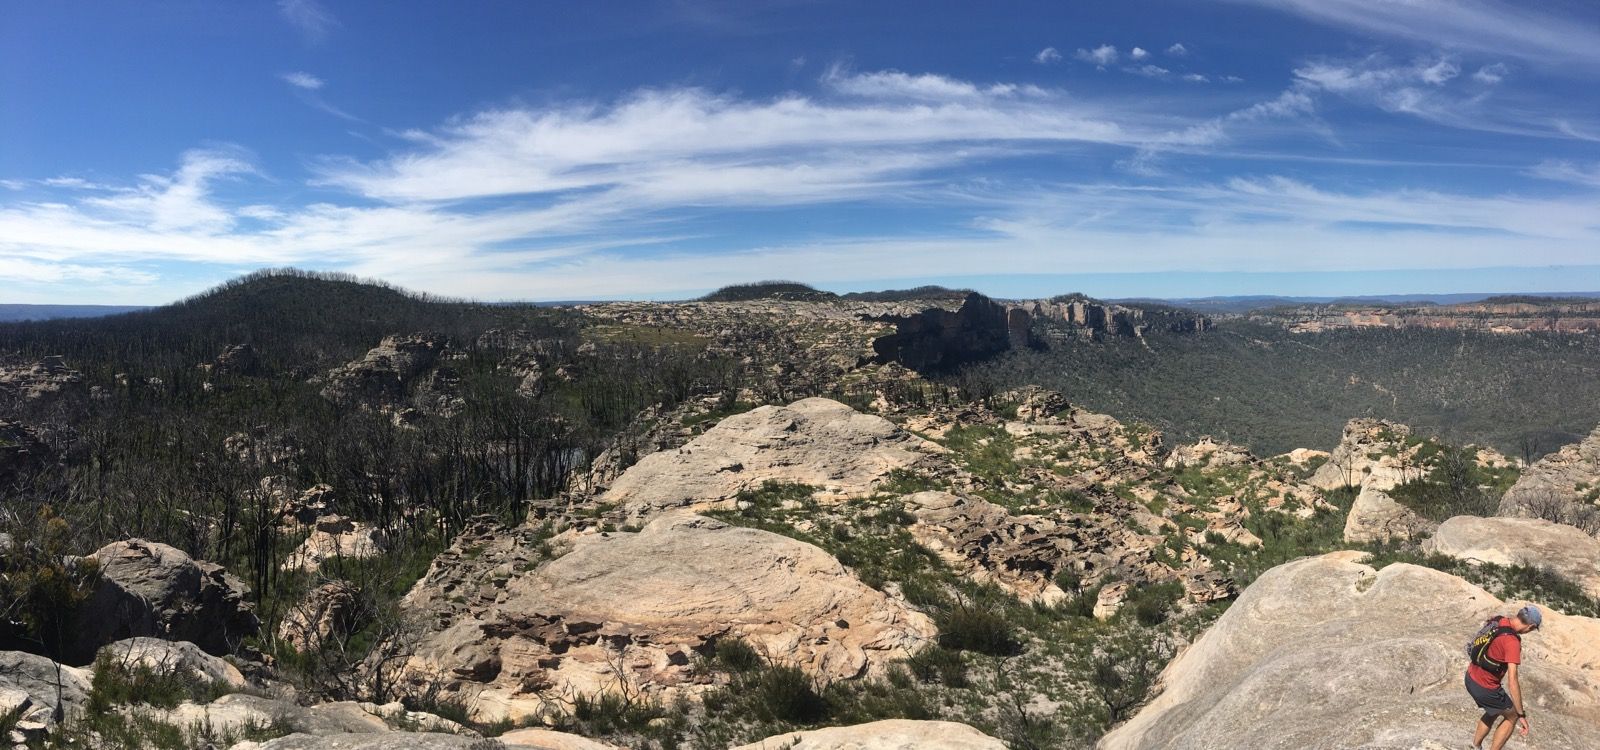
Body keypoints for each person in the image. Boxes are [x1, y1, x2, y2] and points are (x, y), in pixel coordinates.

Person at [1465, 605, 1541, 750]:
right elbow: (1512, 680)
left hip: (1470, 676)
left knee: (1494, 710)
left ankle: (1475, 746)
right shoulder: (1512, 642)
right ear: (1530, 626)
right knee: (1512, 716)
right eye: (1532, 629)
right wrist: (1521, 714)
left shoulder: (1499, 620)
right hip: (1485, 686)